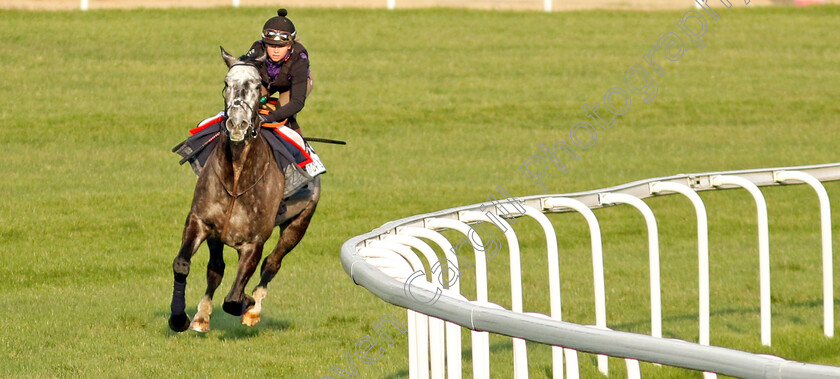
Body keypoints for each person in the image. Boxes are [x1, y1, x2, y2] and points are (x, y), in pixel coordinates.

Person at [175, 8, 325, 196]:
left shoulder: (300, 58)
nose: (275, 50)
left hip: (291, 85)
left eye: (280, 46)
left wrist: (270, 118)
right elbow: (244, 70)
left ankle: (305, 157)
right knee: (250, 103)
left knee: (284, 111)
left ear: (290, 45)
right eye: (270, 45)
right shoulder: (257, 49)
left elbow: (297, 103)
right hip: (266, 81)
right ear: (264, 43)